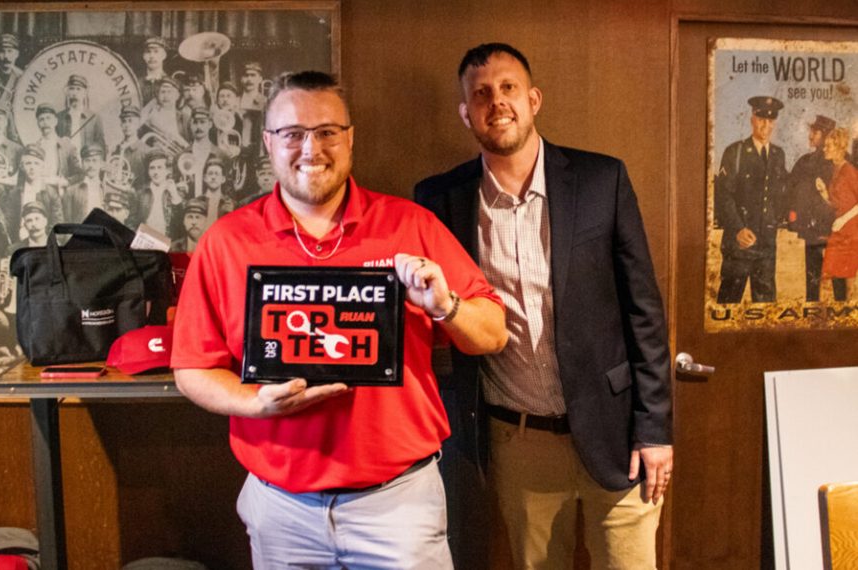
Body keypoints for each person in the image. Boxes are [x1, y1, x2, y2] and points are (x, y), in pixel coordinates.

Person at [171, 70, 507, 570]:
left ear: (349, 139)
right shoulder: (227, 242)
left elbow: (494, 334)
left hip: (399, 507)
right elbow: (192, 369)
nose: (312, 148)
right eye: (293, 134)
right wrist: (255, 402)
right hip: (281, 508)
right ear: (269, 142)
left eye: (328, 131)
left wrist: (445, 306)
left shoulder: (409, 225)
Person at [415, 43, 672, 570]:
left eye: (508, 88)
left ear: (533, 99)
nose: (497, 101)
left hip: (617, 432)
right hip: (517, 440)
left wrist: (654, 430)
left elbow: (644, 311)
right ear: (466, 113)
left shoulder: (603, 180)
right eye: (481, 94)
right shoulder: (439, 200)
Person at [715, 96, 788, 303]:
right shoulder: (735, 152)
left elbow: (780, 194)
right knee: (729, 303)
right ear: (752, 119)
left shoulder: (778, 154)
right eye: (761, 119)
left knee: (765, 309)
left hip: (766, 246)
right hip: (739, 245)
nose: (766, 125)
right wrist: (738, 228)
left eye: (771, 120)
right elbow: (723, 196)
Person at [786, 115, 838, 302]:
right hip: (812, 231)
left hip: (836, 230)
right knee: (812, 280)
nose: (810, 135)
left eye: (815, 131)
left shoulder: (841, 161)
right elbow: (790, 191)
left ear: (825, 135)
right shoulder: (804, 161)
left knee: (839, 281)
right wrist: (793, 219)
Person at [817, 127, 858, 301]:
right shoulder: (834, 170)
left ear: (839, 148)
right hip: (839, 230)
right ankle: (842, 314)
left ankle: (848, 319)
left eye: (828, 146)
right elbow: (836, 204)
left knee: (845, 277)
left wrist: (842, 220)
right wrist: (824, 193)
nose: (824, 149)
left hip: (850, 231)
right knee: (835, 276)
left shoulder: (849, 171)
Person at [56, 74, 106, 153]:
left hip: (87, 162)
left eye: (78, 89)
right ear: (67, 92)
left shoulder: (94, 118)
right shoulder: (59, 117)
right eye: (71, 89)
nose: (75, 93)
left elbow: (101, 146)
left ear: (85, 93)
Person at [62, 144, 107, 223]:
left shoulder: (107, 190)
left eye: (94, 160)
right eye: (87, 161)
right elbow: (66, 223)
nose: (91, 165)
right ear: (82, 164)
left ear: (101, 163)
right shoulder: (71, 192)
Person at [139, 37, 169, 107]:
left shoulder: (172, 83)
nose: (152, 56)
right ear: (143, 56)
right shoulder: (137, 83)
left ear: (164, 55)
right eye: (148, 52)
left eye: (156, 51)